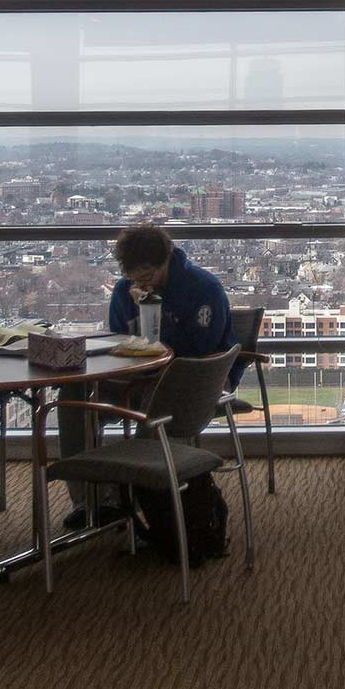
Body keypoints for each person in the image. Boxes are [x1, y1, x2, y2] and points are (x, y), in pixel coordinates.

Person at [59, 223, 235, 529]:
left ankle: (131, 498)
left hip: (192, 382)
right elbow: (119, 343)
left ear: (165, 259)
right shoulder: (123, 292)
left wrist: (152, 311)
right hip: (137, 379)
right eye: (134, 274)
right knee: (72, 399)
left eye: (148, 273)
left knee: (158, 403)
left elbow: (198, 351)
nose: (142, 280)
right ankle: (91, 499)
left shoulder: (202, 289)